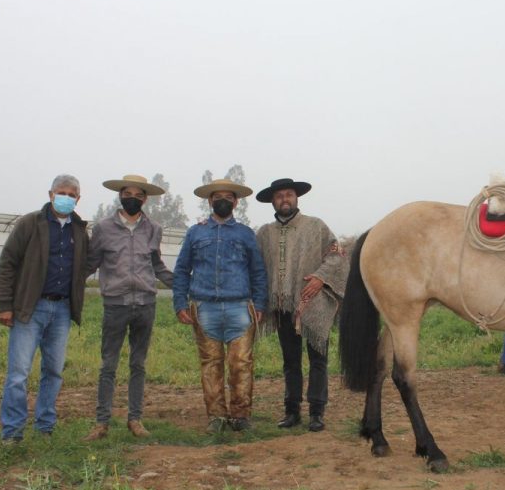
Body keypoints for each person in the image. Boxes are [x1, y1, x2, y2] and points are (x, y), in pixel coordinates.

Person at [0, 175, 89, 443]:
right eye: (61, 192)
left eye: (71, 194)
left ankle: (45, 427)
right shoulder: (30, 223)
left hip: (61, 310)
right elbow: (7, 264)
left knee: (54, 371)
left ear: (78, 199)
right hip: (30, 307)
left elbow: (84, 266)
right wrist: (5, 305)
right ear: (50, 194)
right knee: (18, 373)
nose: (66, 198)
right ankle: (12, 432)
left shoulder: (79, 231)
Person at [83, 174, 175, 441]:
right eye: (128, 193)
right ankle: (102, 423)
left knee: (138, 364)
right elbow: (91, 263)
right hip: (115, 305)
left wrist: (182, 284)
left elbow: (156, 265)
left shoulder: (153, 229)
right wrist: (67, 284)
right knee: (108, 364)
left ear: (145, 198)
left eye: (138, 195)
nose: (132, 198)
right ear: (120, 195)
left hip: (145, 304)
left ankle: (135, 419)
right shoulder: (103, 228)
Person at [173, 179, 267, 433]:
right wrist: (180, 302)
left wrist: (259, 303)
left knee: (241, 363)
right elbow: (182, 269)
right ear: (210, 201)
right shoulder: (195, 232)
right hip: (205, 308)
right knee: (210, 363)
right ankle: (216, 416)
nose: (223, 201)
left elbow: (258, 271)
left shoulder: (246, 234)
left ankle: (240, 415)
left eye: (228, 197)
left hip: (239, 307)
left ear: (236, 202)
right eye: (218, 197)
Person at [255, 178, 347, 432]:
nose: (285, 199)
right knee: (290, 361)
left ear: (297, 198)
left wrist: (321, 277)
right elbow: (253, 263)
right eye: (279, 196)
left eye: (289, 194)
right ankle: (291, 411)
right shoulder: (263, 233)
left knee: (318, 360)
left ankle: (317, 412)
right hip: (282, 306)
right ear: (272, 201)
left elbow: (337, 255)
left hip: (314, 305)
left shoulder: (316, 227)